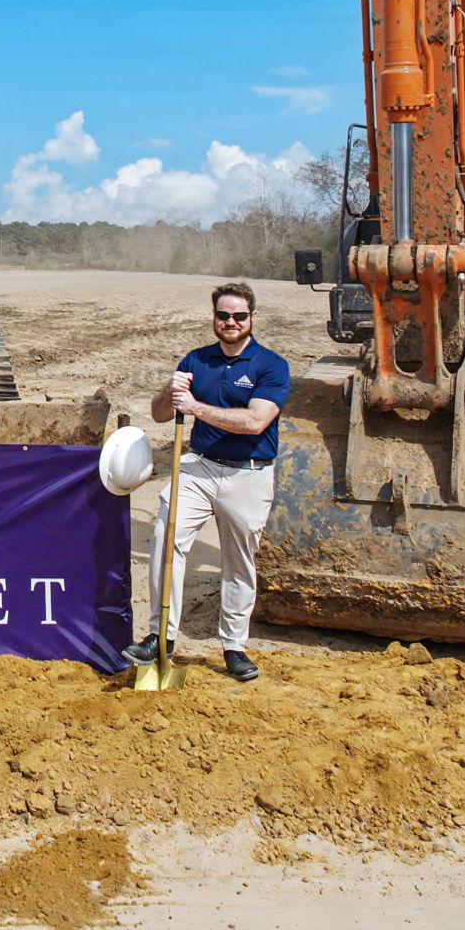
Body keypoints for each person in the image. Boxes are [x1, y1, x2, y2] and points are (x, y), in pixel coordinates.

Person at [124, 281, 291, 682]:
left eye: (238, 316)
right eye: (223, 315)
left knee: (239, 563)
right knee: (167, 539)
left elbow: (255, 422)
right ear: (213, 318)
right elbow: (161, 414)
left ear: (252, 318)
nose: (230, 322)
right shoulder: (196, 360)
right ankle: (160, 638)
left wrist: (196, 406)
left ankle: (234, 648)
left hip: (249, 473)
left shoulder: (271, 365)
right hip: (198, 466)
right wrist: (172, 390)